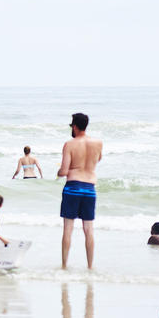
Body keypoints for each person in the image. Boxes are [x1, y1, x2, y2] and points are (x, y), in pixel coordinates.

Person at [57, 112, 102, 269]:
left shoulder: (69, 144)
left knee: (68, 229)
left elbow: (63, 171)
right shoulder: (98, 143)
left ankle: (64, 265)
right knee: (88, 230)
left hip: (72, 188)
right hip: (90, 189)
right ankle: (90, 266)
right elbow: (98, 159)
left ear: (75, 126)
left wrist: (59, 172)